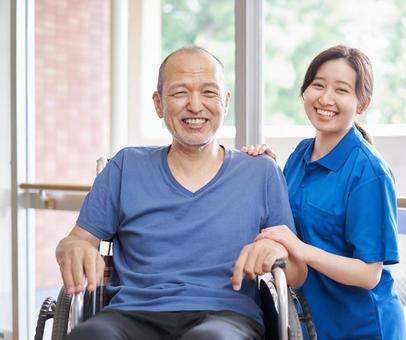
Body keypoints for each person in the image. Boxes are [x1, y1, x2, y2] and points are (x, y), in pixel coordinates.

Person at [55, 46, 307, 340]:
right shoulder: (126, 166)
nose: (196, 106)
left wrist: (276, 249)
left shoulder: (260, 171)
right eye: (180, 93)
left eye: (209, 93)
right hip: (130, 315)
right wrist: (73, 248)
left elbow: (296, 273)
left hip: (225, 317)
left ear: (225, 102)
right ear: (159, 104)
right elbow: (76, 240)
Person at [243, 45, 406, 339]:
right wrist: (267, 171)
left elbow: (369, 274)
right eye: (318, 85)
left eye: (341, 90)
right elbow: (290, 216)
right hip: (314, 324)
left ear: (362, 103)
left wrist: (300, 249)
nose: (325, 98)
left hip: (362, 328)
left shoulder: (369, 172)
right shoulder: (301, 154)